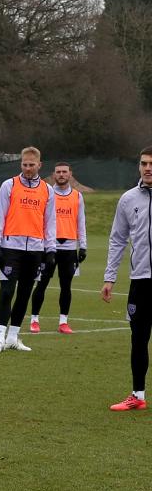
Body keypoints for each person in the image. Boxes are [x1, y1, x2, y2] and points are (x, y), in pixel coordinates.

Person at [100, 146, 152, 412]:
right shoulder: (128, 199)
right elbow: (118, 239)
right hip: (141, 281)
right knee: (138, 339)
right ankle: (137, 394)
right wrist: (109, 277)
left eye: (151, 164)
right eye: (144, 163)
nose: (148, 168)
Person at [0, 147, 55, 353]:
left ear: (39, 165)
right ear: (21, 164)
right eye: (25, 164)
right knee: (7, 292)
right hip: (10, 248)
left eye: (31, 165)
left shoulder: (47, 190)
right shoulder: (9, 185)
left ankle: (13, 337)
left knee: (25, 293)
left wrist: (50, 250)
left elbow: (49, 223)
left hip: (35, 250)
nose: (28, 168)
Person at [29, 161, 86, 334]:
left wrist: (82, 246)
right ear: (54, 174)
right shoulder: (47, 193)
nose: (61, 174)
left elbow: (80, 222)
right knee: (42, 283)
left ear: (70, 174)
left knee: (66, 286)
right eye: (58, 172)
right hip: (48, 247)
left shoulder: (77, 196)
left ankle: (63, 322)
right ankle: (34, 320)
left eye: (64, 172)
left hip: (69, 248)